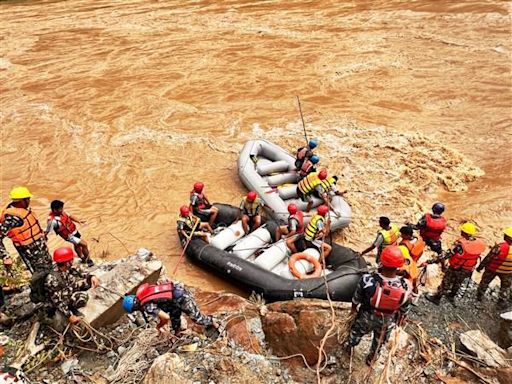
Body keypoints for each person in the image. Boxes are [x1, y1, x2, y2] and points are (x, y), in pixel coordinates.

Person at [348, 246, 412, 365]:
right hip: (388, 320)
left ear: (381, 261)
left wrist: (353, 312)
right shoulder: (406, 286)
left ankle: (350, 348)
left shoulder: (367, 280)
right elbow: (405, 309)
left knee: (356, 332)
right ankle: (372, 359)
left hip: (367, 316)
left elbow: (356, 299)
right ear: (399, 265)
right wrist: (399, 320)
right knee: (379, 341)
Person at [0, 187, 52, 303]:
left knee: (47, 268)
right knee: (38, 273)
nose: (29, 201)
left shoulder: (23, 211)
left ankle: (48, 291)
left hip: (39, 247)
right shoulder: (12, 218)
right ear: (20, 201)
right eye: (27, 199)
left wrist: (41, 234)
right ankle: (38, 297)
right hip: (29, 251)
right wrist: (5, 256)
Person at [122, 281, 219, 335]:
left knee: (197, 319)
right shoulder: (143, 293)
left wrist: (159, 326)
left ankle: (214, 322)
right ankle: (177, 332)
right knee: (174, 316)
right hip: (174, 296)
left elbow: (165, 317)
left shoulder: (147, 306)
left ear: (135, 308)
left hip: (182, 298)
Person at [426, 222, 486, 306]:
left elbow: (446, 255)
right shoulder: (479, 243)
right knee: (458, 282)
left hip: (456, 267)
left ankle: (437, 298)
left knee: (446, 282)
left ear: (464, 232)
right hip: (468, 269)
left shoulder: (460, 245)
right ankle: (451, 296)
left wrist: (431, 261)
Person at [44, 247, 99, 324]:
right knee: (83, 297)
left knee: (86, 283)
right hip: (59, 298)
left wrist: (91, 276)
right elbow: (57, 301)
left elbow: (78, 271)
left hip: (66, 290)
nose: (72, 261)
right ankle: (72, 308)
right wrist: (69, 316)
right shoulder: (52, 280)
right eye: (71, 260)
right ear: (66, 263)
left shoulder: (65, 267)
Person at [45, 200, 93, 267]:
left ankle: (82, 258)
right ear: (54, 210)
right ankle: (89, 260)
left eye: (62, 208)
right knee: (84, 244)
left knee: (77, 245)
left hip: (74, 231)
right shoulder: (52, 221)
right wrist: (44, 237)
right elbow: (47, 231)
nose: (62, 210)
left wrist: (78, 221)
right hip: (68, 236)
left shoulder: (62, 212)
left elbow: (70, 216)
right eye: (60, 209)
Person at [476, 227, 512, 309]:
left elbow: (488, 258)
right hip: (508, 272)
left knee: (484, 283)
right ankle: (501, 302)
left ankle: (479, 298)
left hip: (493, 269)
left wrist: (480, 267)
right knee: (505, 287)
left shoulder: (500, 247)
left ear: (508, 238)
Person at [398, 226, 425, 292]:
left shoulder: (404, 245)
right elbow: (421, 251)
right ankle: (415, 289)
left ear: (407, 235)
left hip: (408, 263)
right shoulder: (418, 239)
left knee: (406, 280)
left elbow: (403, 257)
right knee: (414, 277)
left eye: (402, 234)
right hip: (415, 261)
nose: (401, 236)